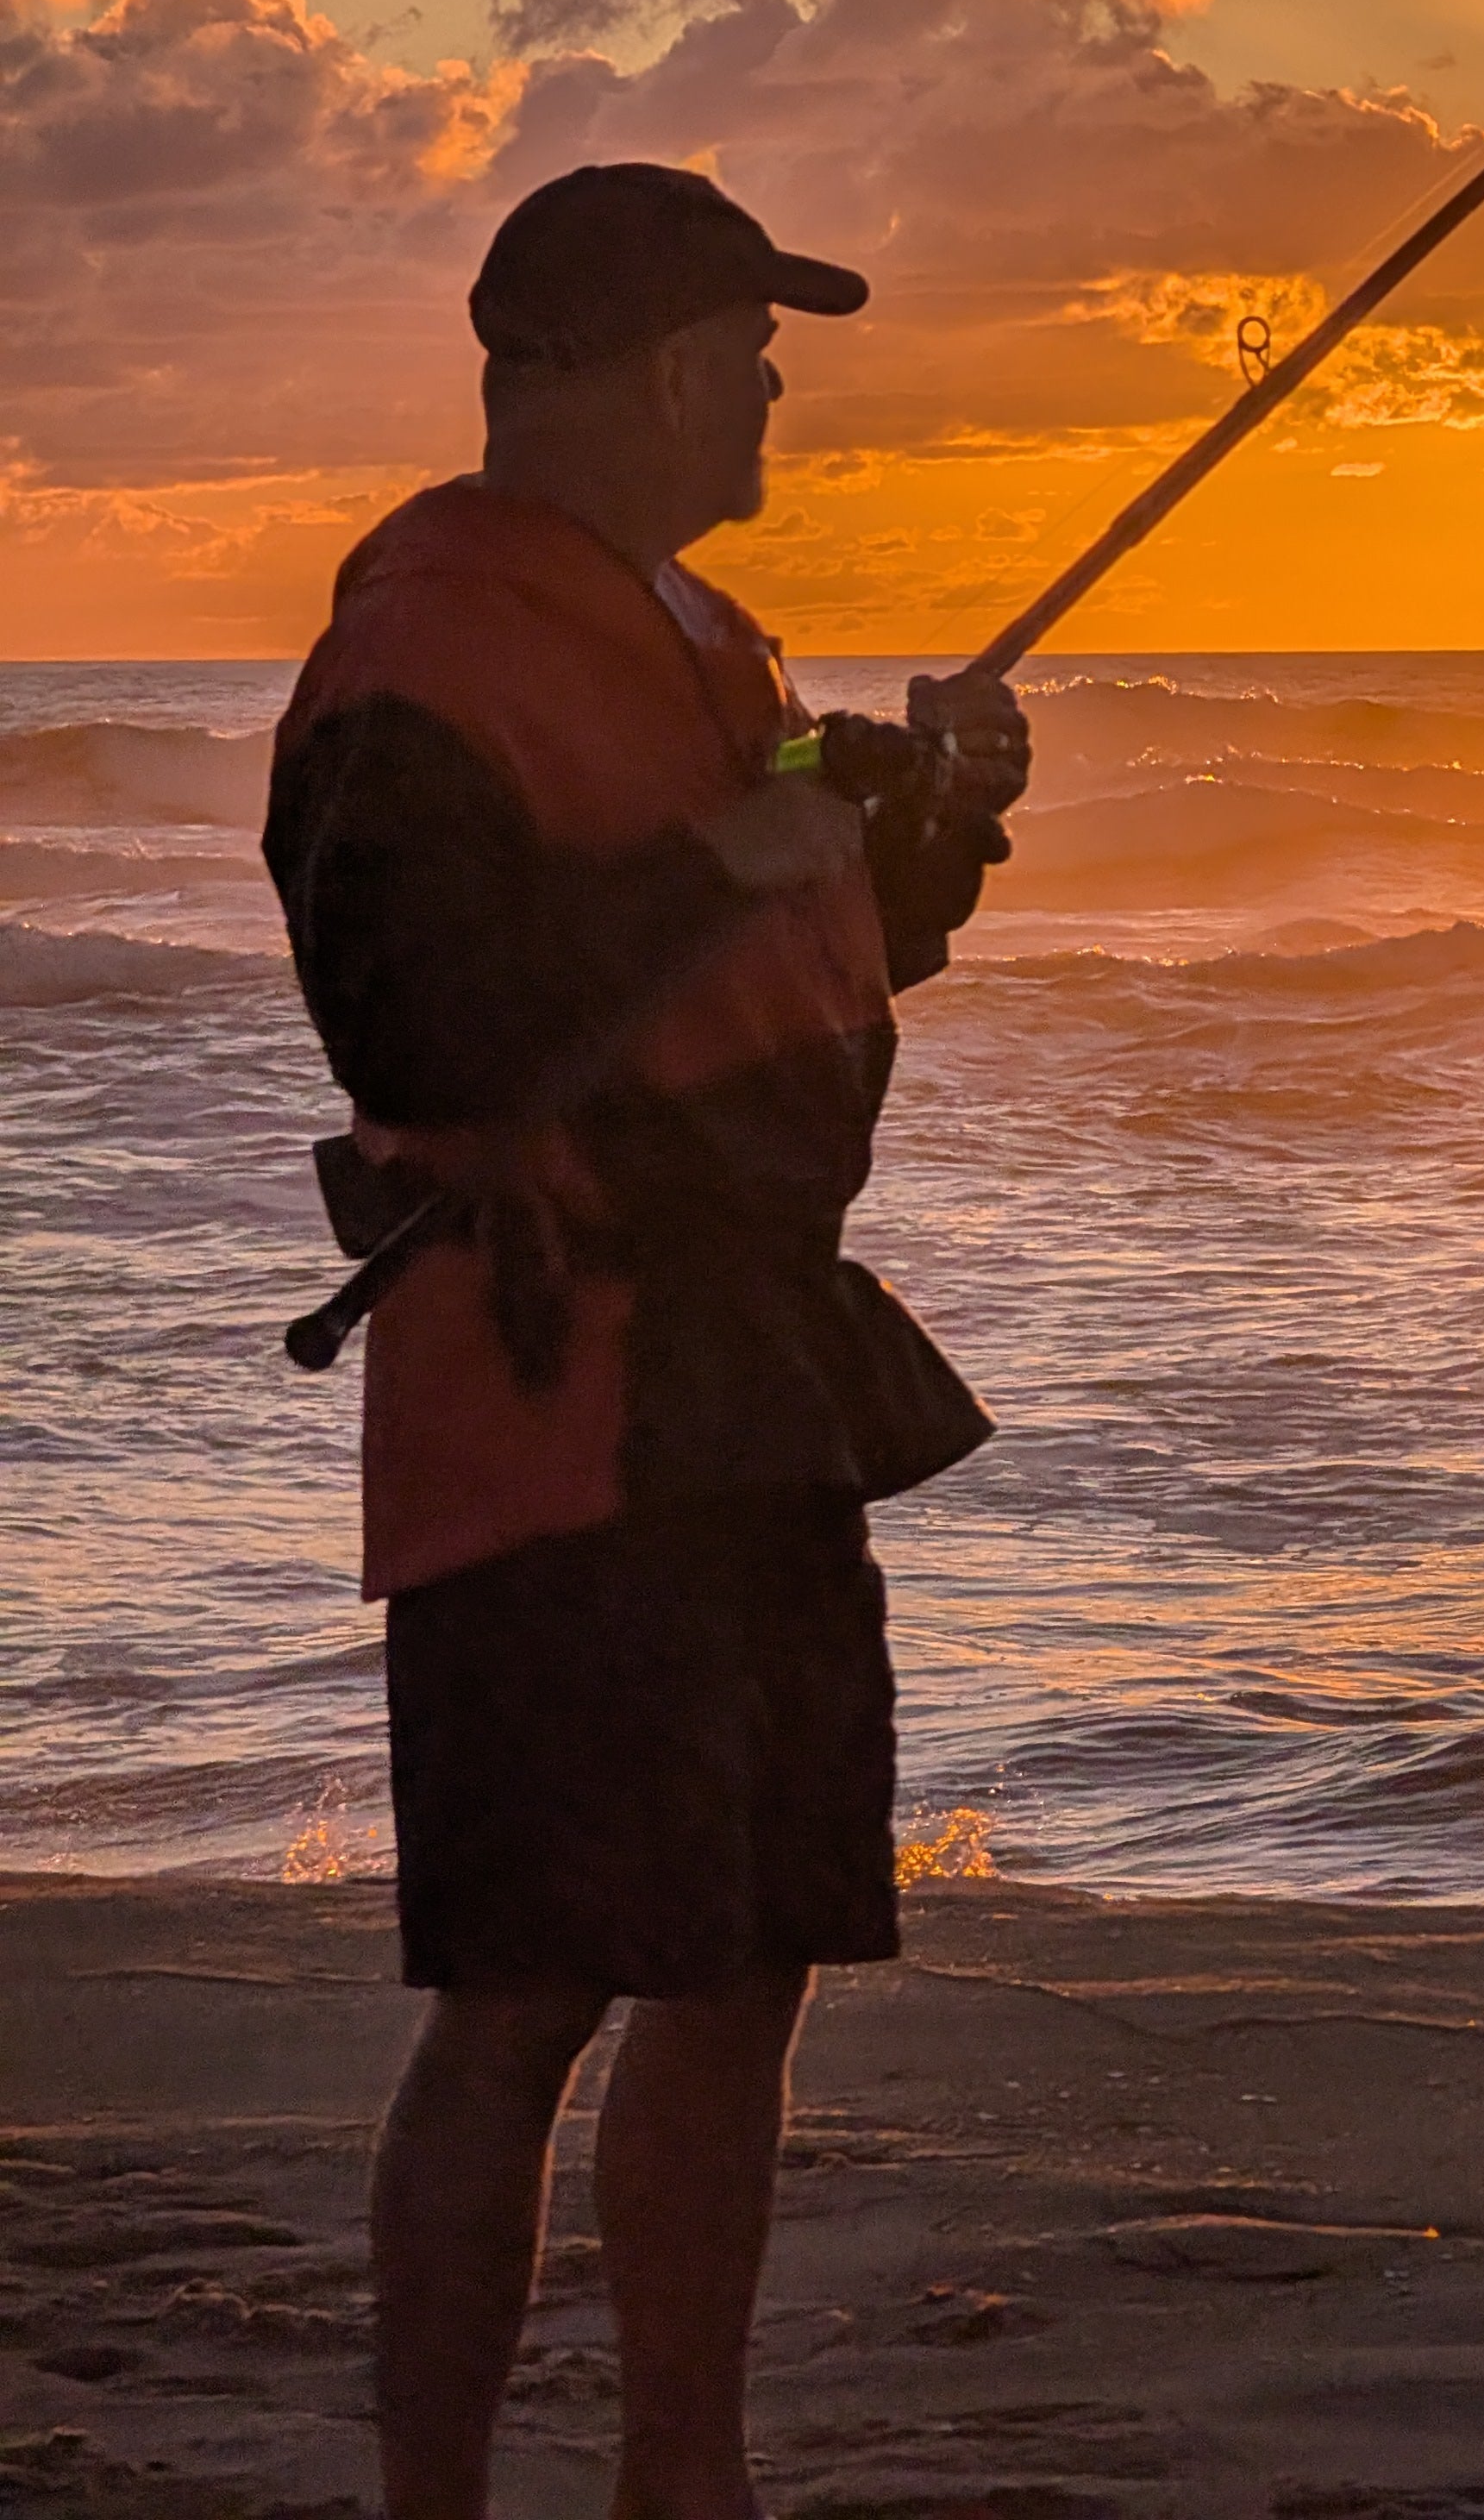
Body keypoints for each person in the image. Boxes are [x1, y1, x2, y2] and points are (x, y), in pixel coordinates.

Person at [263, 160, 1031, 2520]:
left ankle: (679, 2482)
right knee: (526, 1998)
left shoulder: (706, 639)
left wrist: (928, 828)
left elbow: (773, 957)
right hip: (565, 1403)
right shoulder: (418, 655)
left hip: (752, 1382)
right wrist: (733, 858)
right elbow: (419, 1018)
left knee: (746, 1965)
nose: (784, 383)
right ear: (672, 364)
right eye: (761, 345)